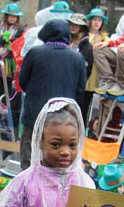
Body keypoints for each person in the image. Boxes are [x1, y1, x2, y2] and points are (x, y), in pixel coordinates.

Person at [18, 19, 86, 169]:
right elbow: (81, 90)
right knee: (57, 161)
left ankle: (28, 191)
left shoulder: (35, 53)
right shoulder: (77, 58)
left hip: (34, 115)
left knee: (29, 157)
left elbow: (22, 81)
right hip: (63, 119)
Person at [0, 3, 25, 119]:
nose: (12, 18)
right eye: (10, 16)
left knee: (8, 86)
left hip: (10, 63)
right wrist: (0, 39)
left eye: (15, 16)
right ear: (6, 16)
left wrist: (12, 41)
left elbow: (22, 42)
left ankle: (7, 111)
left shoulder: (19, 30)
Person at [68, 13, 94, 124]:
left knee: (77, 120)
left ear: (82, 27)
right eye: (71, 24)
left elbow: (86, 71)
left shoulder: (87, 47)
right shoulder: (65, 41)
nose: (73, 27)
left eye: (77, 25)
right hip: (64, 87)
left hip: (80, 91)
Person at [85, 8, 109, 96]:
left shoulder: (104, 38)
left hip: (95, 72)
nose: (97, 22)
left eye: (99, 20)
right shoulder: (83, 34)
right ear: (90, 21)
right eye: (94, 19)